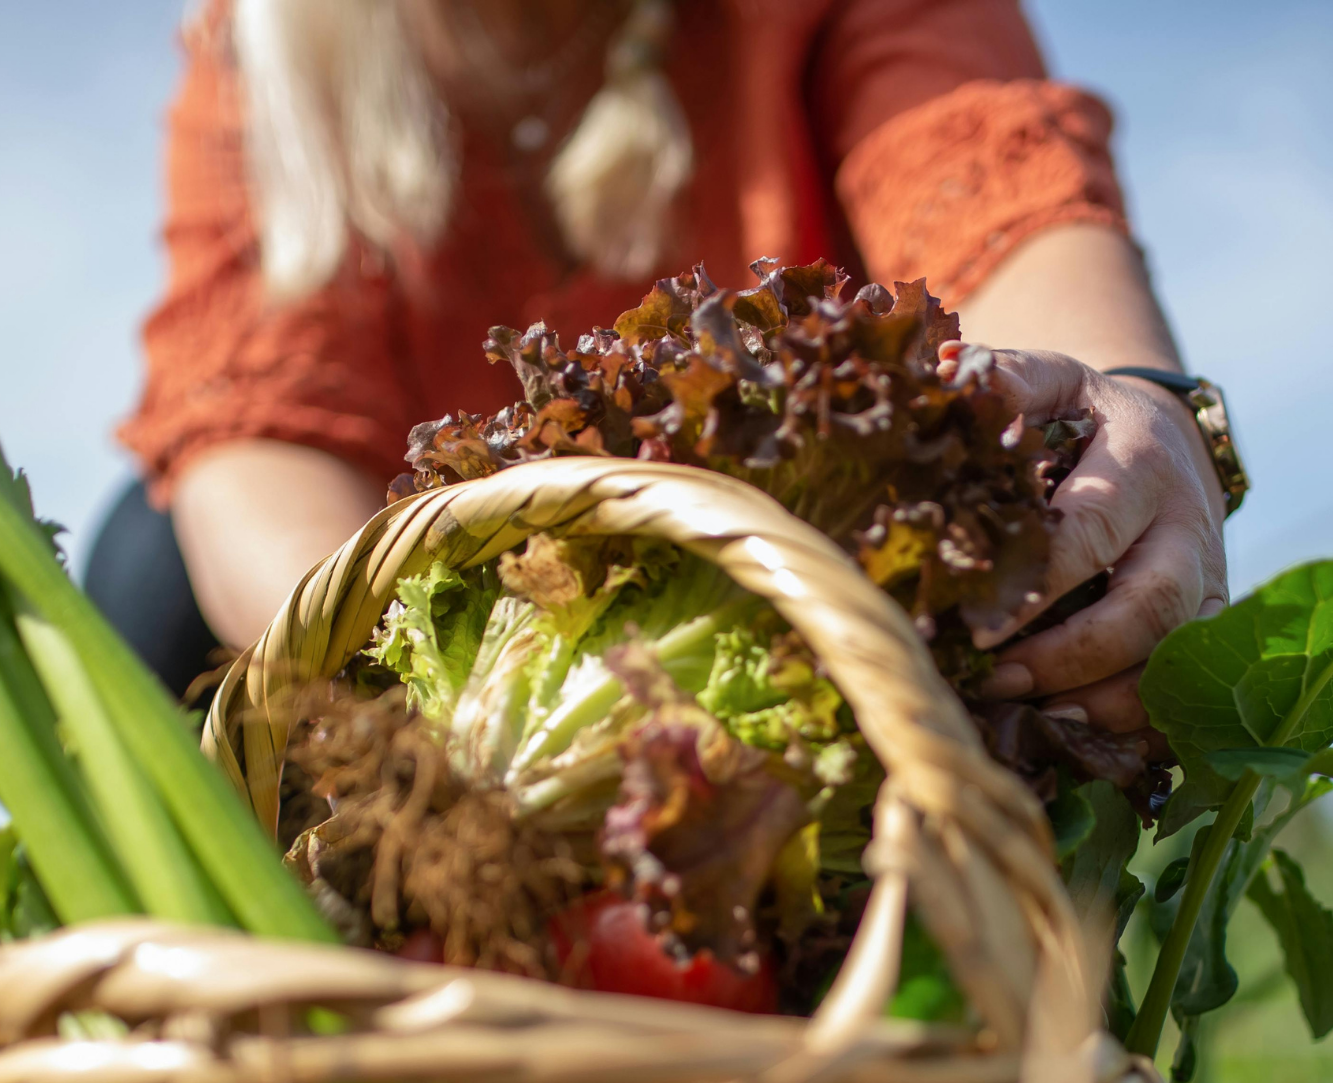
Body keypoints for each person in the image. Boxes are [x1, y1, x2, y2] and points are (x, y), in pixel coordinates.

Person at [93, 0, 1235, 755]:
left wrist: (1124, 408)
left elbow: (993, 195)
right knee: (148, 572)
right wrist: (495, 736)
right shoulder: (263, 48)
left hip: (817, 641)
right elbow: (255, 443)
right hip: (465, 672)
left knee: (1056, 595)